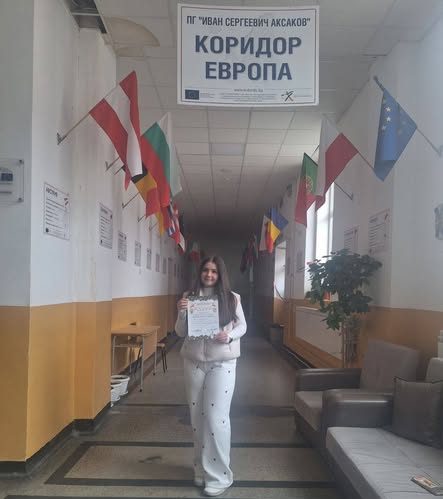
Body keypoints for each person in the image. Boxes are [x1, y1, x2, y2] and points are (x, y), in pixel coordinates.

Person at [175, 255, 247, 497]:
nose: (209, 274)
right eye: (206, 270)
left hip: (222, 362)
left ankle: (220, 476)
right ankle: (201, 469)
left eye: (214, 271)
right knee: (197, 418)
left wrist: (230, 336)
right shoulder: (189, 296)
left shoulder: (232, 298)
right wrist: (181, 312)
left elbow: (243, 326)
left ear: (220, 274)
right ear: (200, 272)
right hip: (193, 361)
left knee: (217, 418)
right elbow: (180, 332)